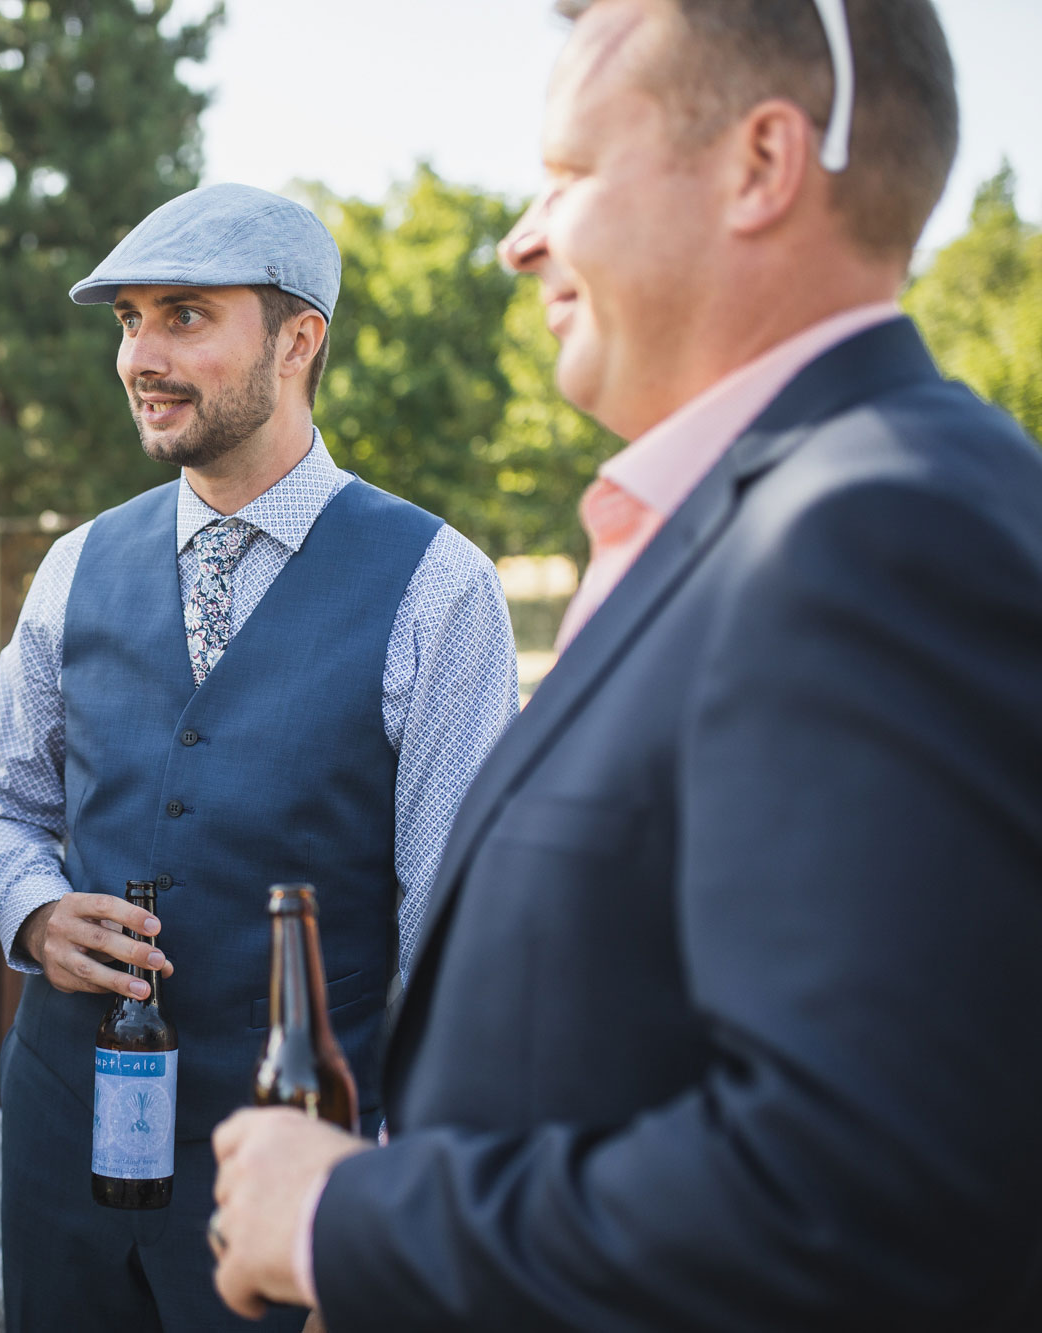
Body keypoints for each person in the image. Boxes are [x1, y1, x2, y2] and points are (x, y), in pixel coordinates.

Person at [210, 0, 1042, 1327]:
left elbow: (868, 1197)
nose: (518, 236)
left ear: (762, 165)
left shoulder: (873, 527)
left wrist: (343, 1219)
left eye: (570, 174)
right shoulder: (752, 521)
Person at [0, 183, 520, 1331]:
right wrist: (32, 911)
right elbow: (0, 807)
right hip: (66, 1137)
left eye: (182, 316)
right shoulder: (72, 567)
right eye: (127, 322)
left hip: (297, 1163)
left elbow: (456, 929)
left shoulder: (437, 584)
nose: (139, 356)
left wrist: (384, 1198)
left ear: (297, 339)